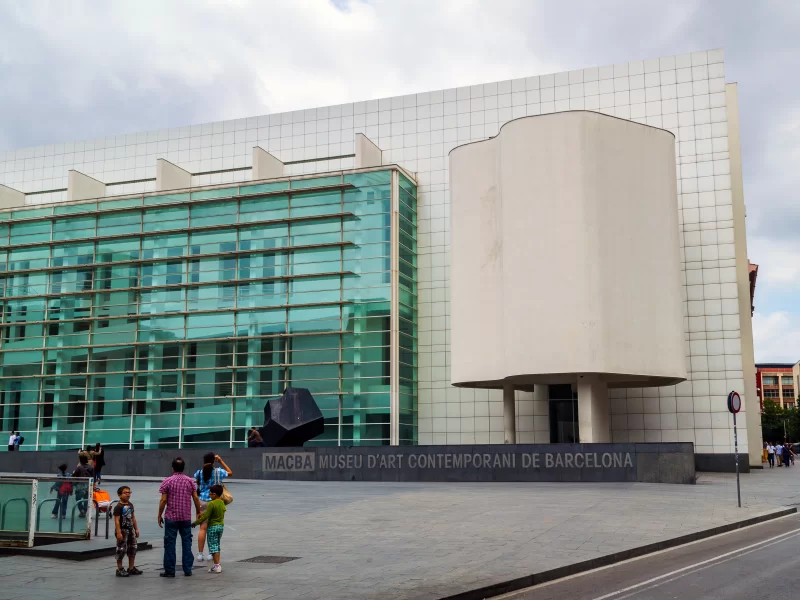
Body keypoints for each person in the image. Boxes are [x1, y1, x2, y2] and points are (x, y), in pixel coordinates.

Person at [158, 457, 202, 578]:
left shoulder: (167, 481)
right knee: (187, 542)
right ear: (184, 468)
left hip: (171, 517)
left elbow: (163, 500)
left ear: (172, 468)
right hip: (185, 517)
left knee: (170, 543)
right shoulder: (189, 481)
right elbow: (196, 498)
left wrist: (159, 514)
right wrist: (198, 512)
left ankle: (170, 570)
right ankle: (187, 569)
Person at [193, 452, 233, 563]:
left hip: (202, 501)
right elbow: (230, 473)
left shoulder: (199, 473)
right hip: (215, 502)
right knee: (214, 527)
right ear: (213, 461)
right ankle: (211, 553)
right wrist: (221, 461)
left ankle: (200, 554)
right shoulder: (219, 472)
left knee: (203, 528)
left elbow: (197, 481)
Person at [192, 484, 226, 573]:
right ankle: (216, 564)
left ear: (215, 494)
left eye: (211, 494)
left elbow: (206, 516)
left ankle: (217, 566)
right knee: (217, 546)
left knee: (213, 547)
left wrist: (196, 523)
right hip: (220, 526)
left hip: (212, 527)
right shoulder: (222, 502)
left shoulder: (211, 503)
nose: (209, 495)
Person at [113, 486, 142, 577]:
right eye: (125, 493)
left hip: (130, 529)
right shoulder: (118, 507)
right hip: (122, 530)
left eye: (129, 492)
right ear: (119, 495)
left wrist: (136, 529)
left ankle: (131, 567)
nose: (128, 494)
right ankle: (119, 568)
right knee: (121, 549)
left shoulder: (130, 505)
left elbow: (133, 517)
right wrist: (118, 532)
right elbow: (117, 520)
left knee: (133, 548)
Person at [72, 453, 95, 518]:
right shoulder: (91, 468)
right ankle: (84, 510)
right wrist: (93, 486)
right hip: (88, 486)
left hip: (80, 486)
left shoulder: (79, 468)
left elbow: (74, 476)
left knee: (78, 499)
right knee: (86, 499)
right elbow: (93, 477)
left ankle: (81, 510)